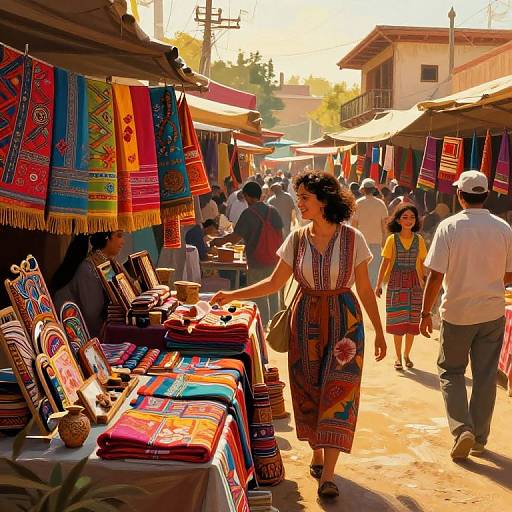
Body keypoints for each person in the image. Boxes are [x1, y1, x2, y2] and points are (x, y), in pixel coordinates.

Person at [211, 171, 386, 499]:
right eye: (299, 196)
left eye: (305, 197)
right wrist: (233, 295)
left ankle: (329, 475)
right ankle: (317, 452)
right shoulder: (297, 239)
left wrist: (378, 331)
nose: (299, 203)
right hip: (304, 321)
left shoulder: (353, 240)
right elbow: (274, 284)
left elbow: (363, 287)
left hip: (345, 324)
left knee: (340, 392)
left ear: (324, 200)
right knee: (308, 389)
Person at [420, 170, 512, 460]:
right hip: (492, 311)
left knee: (451, 371)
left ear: (460, 195)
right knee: (485, 376)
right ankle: (480, 439)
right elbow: (509, 273)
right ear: (485, 195)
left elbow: (435, 276)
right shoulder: (503, 228)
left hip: (458, 312)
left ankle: (462, 430)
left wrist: (425, 312)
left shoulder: (450, 227)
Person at [211, 181, 283, 325]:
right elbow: (281, 235)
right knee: (274, 293)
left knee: (258, 296)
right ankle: (275, 327)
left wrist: (216, 242)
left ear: (247, 197)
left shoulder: (248, 213)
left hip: (256, 261)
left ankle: (261, 327)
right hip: (275, 260)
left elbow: (234, 238)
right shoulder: (273, 210)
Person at [375, 205, 427, 370]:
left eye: (412, 217)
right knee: (398, 321)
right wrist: (378, 284)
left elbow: (422, 264)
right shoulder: (392, 239)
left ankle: (407, 355)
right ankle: (398, 357)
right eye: (405, 217)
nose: (409, 220)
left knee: (412, 321)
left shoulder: (419, 240)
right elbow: (385, 263)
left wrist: (425, 283)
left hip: (414, 285)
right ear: (397, 220)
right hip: (396, 283)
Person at [52, 231, 125, 339]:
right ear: (106, 238)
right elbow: (92, 316)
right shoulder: (88, 268)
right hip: (78, 335)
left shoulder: (107, 263)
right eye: (119, 236)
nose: (123, 242)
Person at [351, 178, 388, 288]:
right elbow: (384, 225)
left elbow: (354, 225)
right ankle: (371, 291)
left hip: (361, 243)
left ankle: (362, 291)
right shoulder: (381, 204)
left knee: (362, 269)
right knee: (374, 270)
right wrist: (384, 239)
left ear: (362, 190)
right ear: (373, 190)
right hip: (376, 242)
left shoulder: (358, 203)